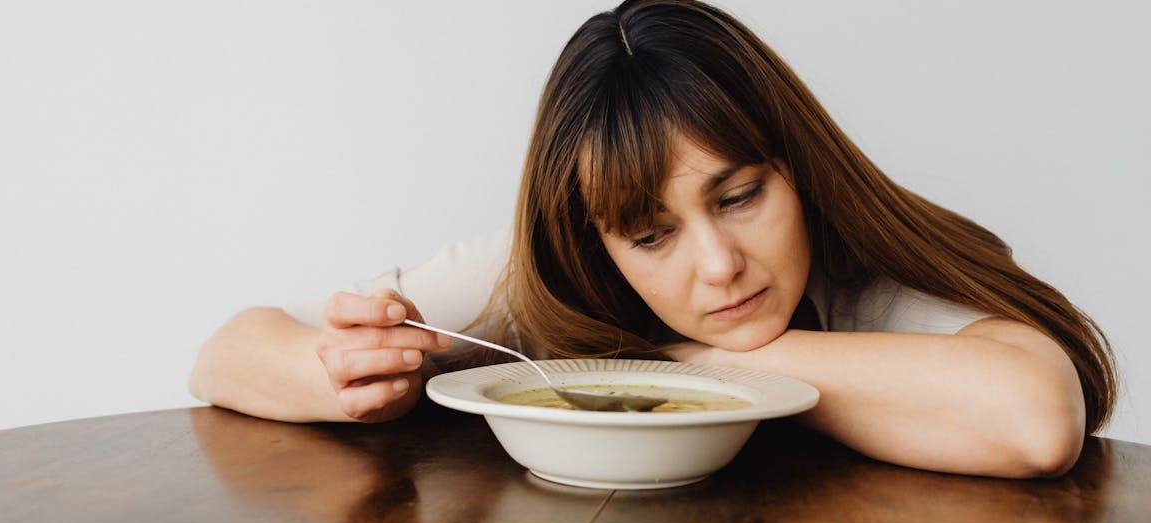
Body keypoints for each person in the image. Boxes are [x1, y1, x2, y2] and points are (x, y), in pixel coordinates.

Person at [190, 0, 1116, 479]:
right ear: (596, 243)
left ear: (799, 166)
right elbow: (224, 355)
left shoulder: (863, 277)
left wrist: (685, 363)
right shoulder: (539, 283)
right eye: (649, 234)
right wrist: (349, 376)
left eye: (743, 194)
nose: (719, 265)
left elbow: (1036, 418)